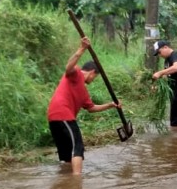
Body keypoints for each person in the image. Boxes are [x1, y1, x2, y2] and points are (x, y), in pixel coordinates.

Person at [47, 37, 122, 175]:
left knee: (66, 154)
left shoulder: (83, 90)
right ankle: (77, 182)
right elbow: (68, 67)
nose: (93, 81)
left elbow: (91, 108)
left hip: (53, 117)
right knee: (78, 147)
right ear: (92, 72)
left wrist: (111, 105)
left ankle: (66, 182)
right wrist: (81, 49)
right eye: (95, 78)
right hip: (63, 114)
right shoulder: (76, 74)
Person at [151, 40, 177, 129]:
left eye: (159, 52)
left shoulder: (175, 55)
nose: (160, 55)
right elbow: (166, 77)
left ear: (165, 47)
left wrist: (160, 73)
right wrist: (157, 86)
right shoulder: (167, 60)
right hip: (175, 92)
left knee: (174, 122)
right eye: (158, 54)